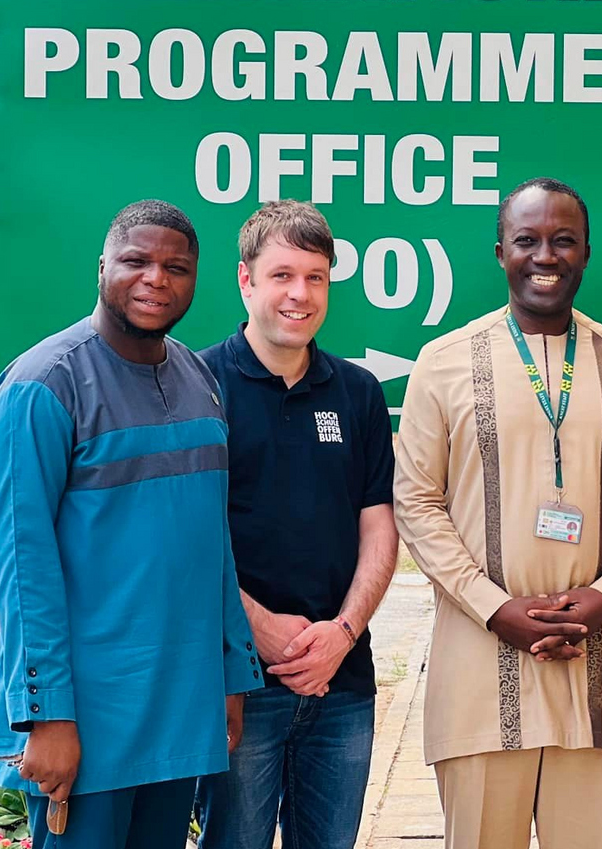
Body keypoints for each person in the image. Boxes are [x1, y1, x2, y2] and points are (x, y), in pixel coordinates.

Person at [392, 177, 602, 849]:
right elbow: (417, 500)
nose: (545, 256)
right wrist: (495, 607)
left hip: (599, 662)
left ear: (586, 253)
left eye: (563, 241)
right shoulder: (444, 362)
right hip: (480, 664)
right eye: (527, 240)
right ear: (501, 252)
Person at [0, 200, 260, 849]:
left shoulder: (198, 379)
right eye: (136, 261)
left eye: (176, 268)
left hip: (178, 714)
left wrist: (231, 673)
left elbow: (211, 544)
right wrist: (46, 715)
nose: (156, 279)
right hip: (85, 723)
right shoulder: (42, 386)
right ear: (102, 266)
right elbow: (21, 566)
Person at [196, 201, 398, 849]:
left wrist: (343, 632)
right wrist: (256, 627)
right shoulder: (196, 385)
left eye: (316, 277)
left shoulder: (359, 392)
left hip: (342, 682)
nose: (300, 294)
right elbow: (187, 536)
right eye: (282, 275)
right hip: (238, 684)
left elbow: (379, 527)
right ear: (245, 279)